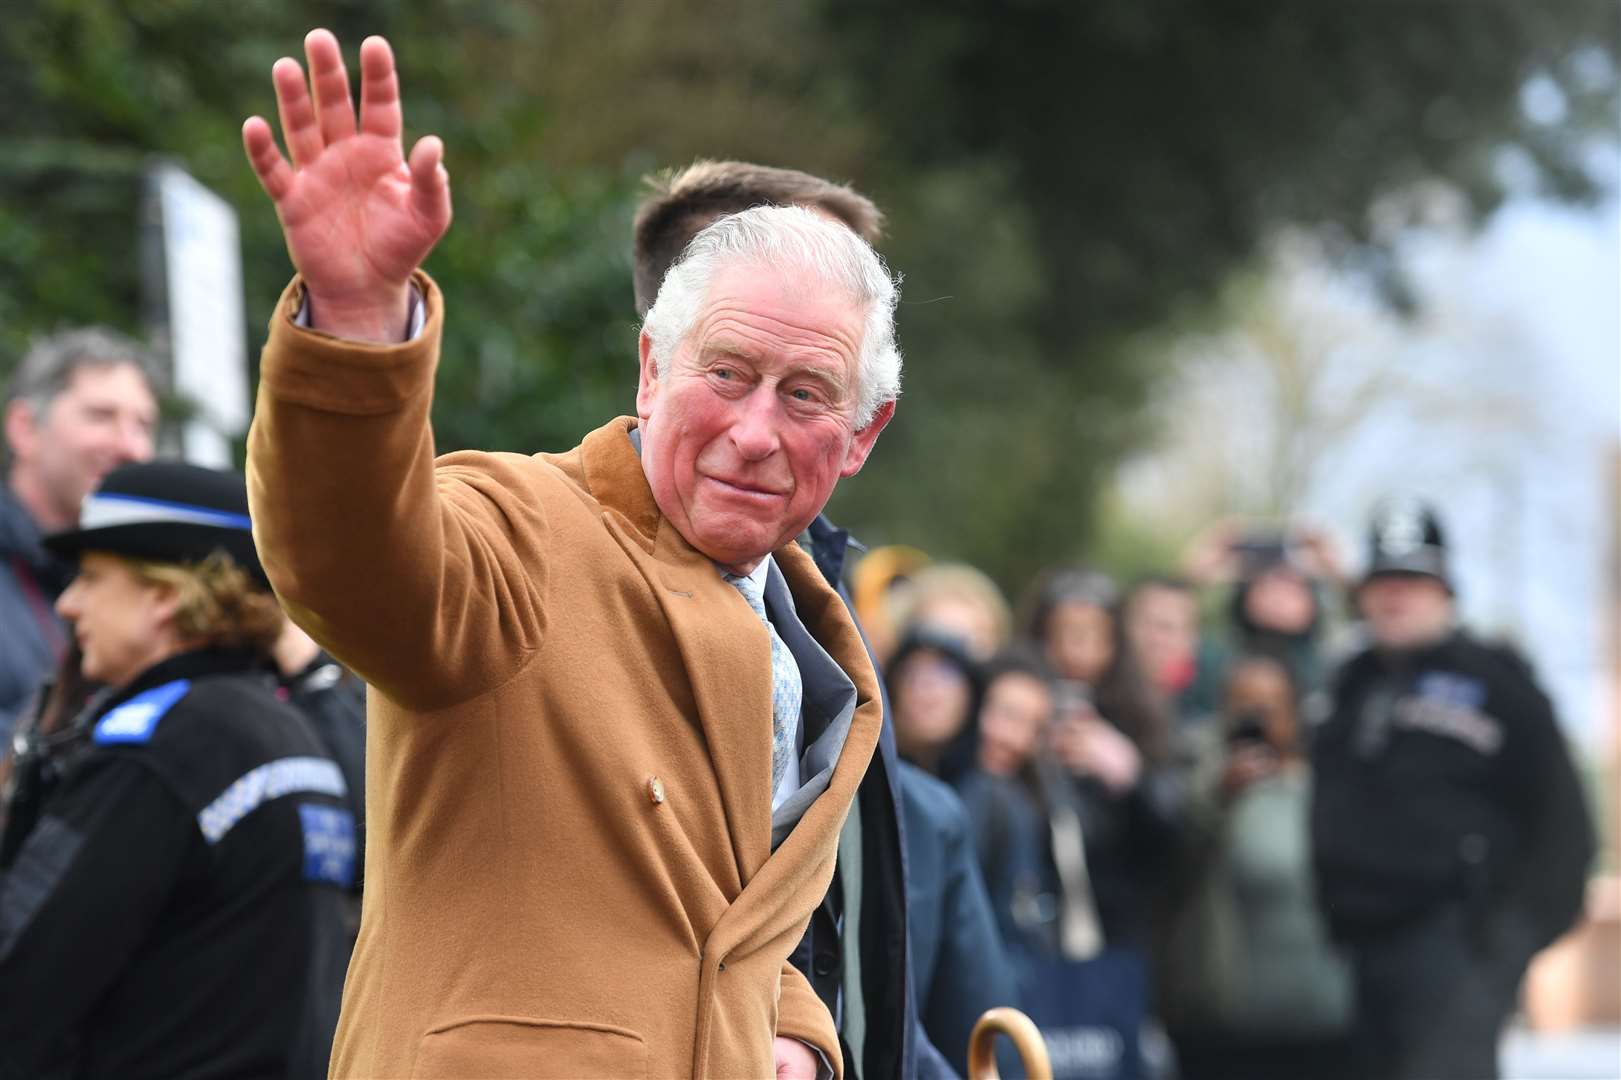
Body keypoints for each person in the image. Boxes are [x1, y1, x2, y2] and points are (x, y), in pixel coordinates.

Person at [242, 31, 895, 1078]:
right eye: (725, 373)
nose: (756, 431)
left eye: (806, 395)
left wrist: (798, 1041)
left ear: (863, 434)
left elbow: (720, 923)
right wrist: (357, 332)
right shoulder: (521, 526)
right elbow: (349, 562)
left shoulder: (800, 629)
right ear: (649, 368)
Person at [636, 160, 1011, 1079]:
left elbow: (834, 941)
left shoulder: (811, 591)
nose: (851, 308)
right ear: (664, 342)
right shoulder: (542, 563)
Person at [0, 461, 354, 1078]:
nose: (69, 603)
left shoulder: (156, 751)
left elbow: (24, 977)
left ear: (164, 598)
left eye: (91, 578)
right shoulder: (287, 732)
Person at [1310, 499, 1595, 1080]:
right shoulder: (1348, 685)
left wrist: (1505, 945)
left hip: (1455, 948)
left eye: (1413, 580)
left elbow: (1567, 828)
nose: (1395, 596)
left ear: (1445, 590)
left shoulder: (1495, 680)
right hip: (1360, 954)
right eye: (1383, 580)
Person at [1159, 655, 1353, 1080]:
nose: (1256, 717)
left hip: (1327, 1025)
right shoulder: (1193, 775)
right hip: (1222, 1028)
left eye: (1269, 705)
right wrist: (1218, 794)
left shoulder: (1329, 785)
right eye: (1243, 704)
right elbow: (1168, 861)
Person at [1, 328, 158, 735]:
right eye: (101, 416)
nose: (131, 448)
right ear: (24, 428)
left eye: (143, 425)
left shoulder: (151, 583)